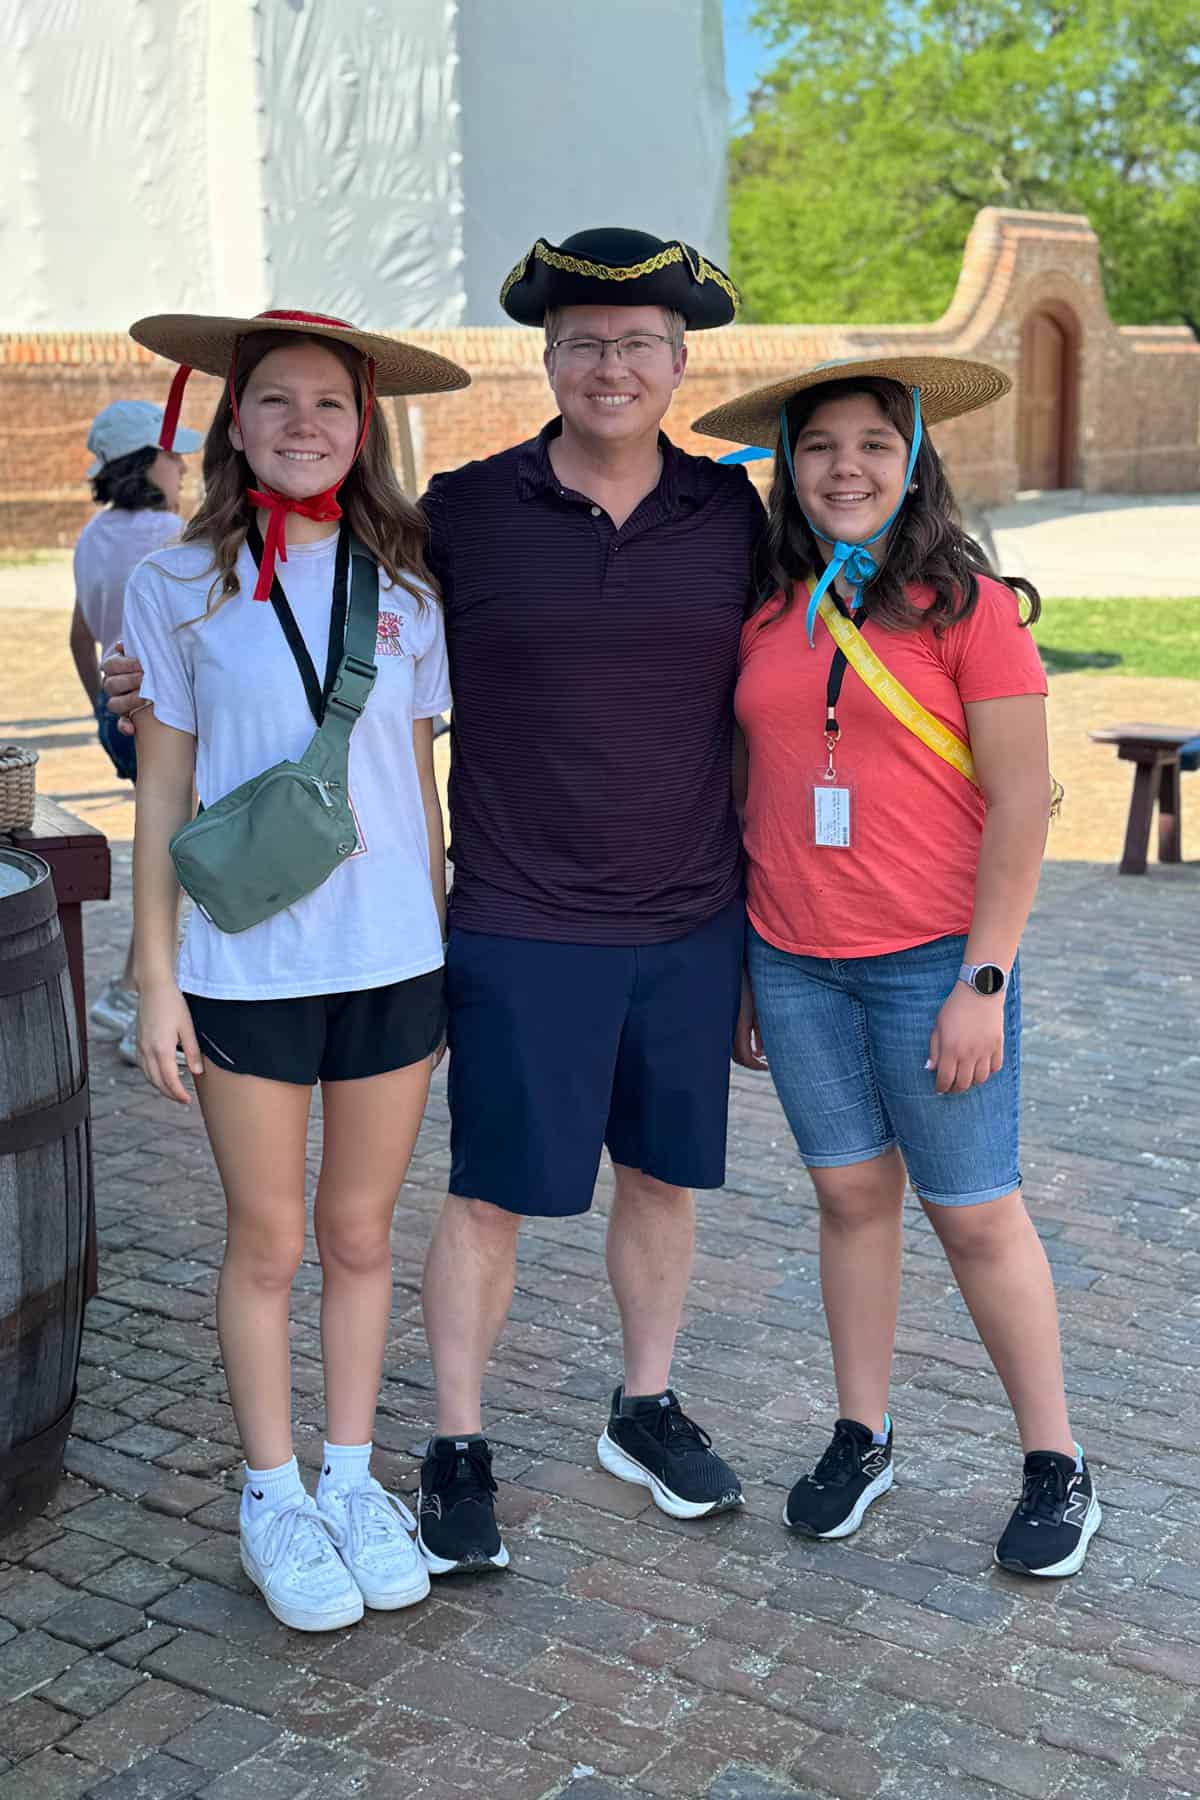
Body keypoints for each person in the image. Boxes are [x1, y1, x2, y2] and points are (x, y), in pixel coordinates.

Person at [102, 231, 762, 1578]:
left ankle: (603, 1415)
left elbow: (830, 620)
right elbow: (186, 740)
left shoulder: (711, 522)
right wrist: (151, 952)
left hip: (603, 925)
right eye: (584, 341)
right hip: (465, 926)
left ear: (680, 361)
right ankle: (401, 1458)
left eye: (639, 342)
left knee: (602, 1187)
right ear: (549, 360)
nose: (612, 365)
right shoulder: (453, 519)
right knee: (414, 1210)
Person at [694, 355, 1101, 1578]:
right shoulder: (765, 609)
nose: (846, 467)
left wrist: (986, 979)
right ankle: (863, 1434)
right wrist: (752, 968)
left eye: (875, 442)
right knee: (850, 1200)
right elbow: (744, 784)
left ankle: (1058, 1465)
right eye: (820, 446)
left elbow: (1023, 805)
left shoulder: (969, 607)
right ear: (789, 469)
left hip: (936, 962)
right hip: (798, 961)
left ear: (914, 457)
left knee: (975, 1215)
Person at [120, 307, 469, 1629]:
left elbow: (420, 786)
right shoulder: (175, 584)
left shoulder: (414, 589)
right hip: (243, 967)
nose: (305, 425)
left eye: (330, 403)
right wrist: (156, 976)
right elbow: (160, 797)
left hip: (392, 960)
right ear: (235, 421)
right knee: (267, 1242)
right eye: (277, 402)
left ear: (363, 424)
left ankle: (353, 1477)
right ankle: (273, 1492)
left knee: (362, 1235)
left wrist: (441, 926)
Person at [70, 401, 202, 1049]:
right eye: (173, 454)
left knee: (164, 845)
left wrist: (103, 705)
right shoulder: (169, 534)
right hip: (159, 713)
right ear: (145, 461)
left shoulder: (91, 535)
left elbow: (79, 637)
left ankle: (128, 992)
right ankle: (141, 997)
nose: (182, 466)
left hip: (112, 707)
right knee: (180, 851)